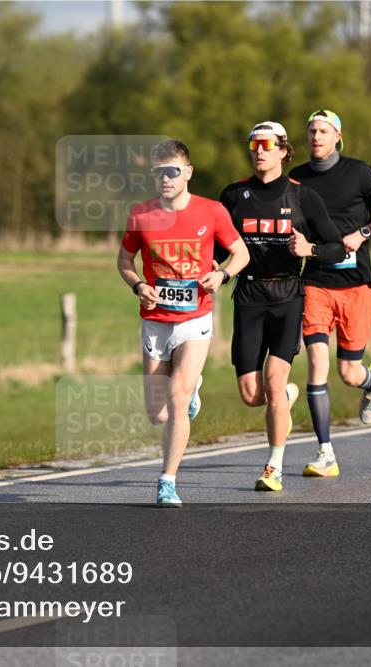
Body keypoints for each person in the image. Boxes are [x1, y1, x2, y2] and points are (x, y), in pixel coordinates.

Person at [118, 139, 249, 507]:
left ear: (188, 172)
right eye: (158, 172)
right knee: (156, 413)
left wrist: (222, 276)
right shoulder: (140, 215)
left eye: (172, 171)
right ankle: (191, 391)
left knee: (176, 400)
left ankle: (167, 481)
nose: (165, 178)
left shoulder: (212, 212)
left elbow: (241, 252)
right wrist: (139, 285)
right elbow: (124, 262)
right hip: (155, 321)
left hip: (195, 319)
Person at [216, 122, 345, 492]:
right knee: (251, 395)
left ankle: (273, 467)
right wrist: (210, 267)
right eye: (253, 144)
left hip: (288, 296)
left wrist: (311, 250)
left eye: (267, 144)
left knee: (273, 380)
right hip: (248, 297)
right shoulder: (234, 195)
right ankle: (283, 399)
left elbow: (337, 246)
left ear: (284, 151)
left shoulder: (303, 197)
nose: (259, 150)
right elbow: (216, 247)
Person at [288, 109, 371, 478]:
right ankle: (325, 453)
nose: (316, 137)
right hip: (316, 281)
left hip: (356, 284)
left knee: (349, 373)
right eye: (311, 131)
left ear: (338, 136)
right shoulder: (297, 179)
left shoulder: (359, 172)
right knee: (317, 365)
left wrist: (364, 234)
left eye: (324, 130)